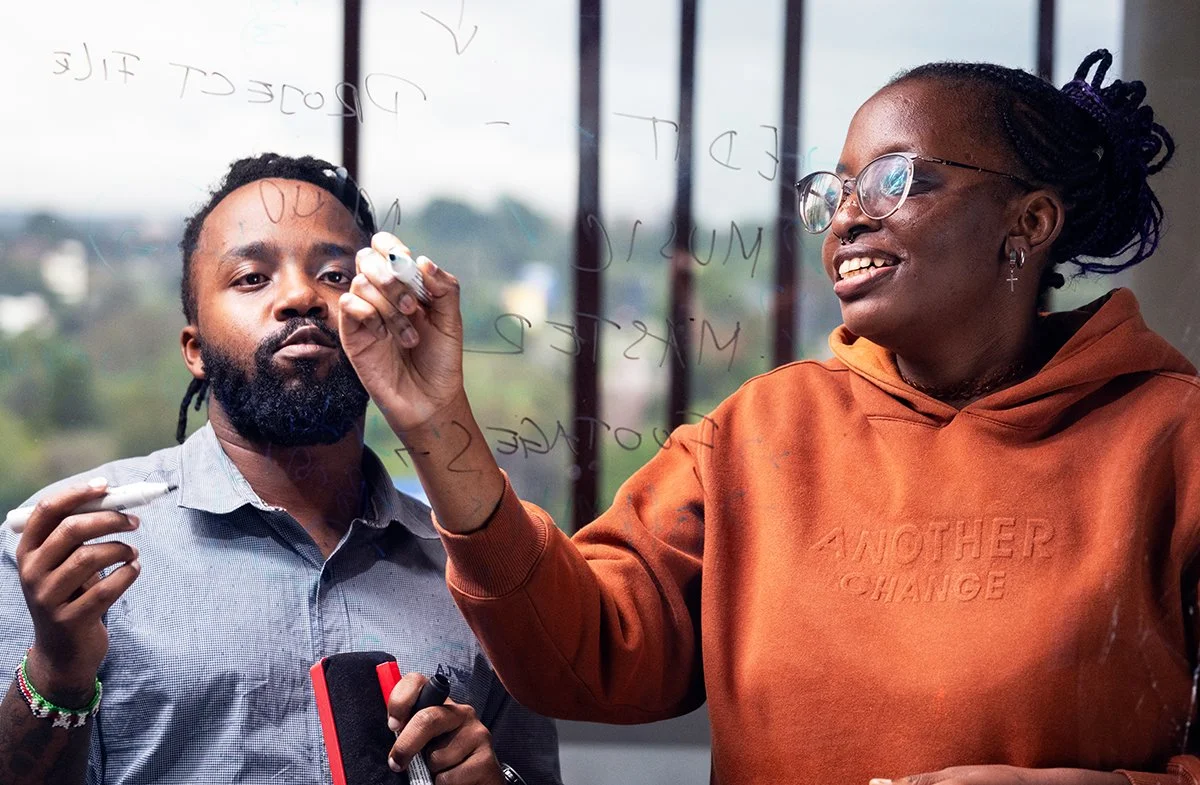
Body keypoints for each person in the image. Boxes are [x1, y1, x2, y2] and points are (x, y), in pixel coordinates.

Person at [341, 48, 1200, 784]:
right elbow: (580, 652)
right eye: (836, 192)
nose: (849, 218)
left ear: (1031, 220)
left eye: (895, 179)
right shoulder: (760, 432)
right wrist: (435, 416)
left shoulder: (1172, 440)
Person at [0, 154, 560, 785]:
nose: (299, 296)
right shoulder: (72, 551)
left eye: (333, 274)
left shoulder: (483, 571)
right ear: (194, 350)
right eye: (250, 278)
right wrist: (56, 672)